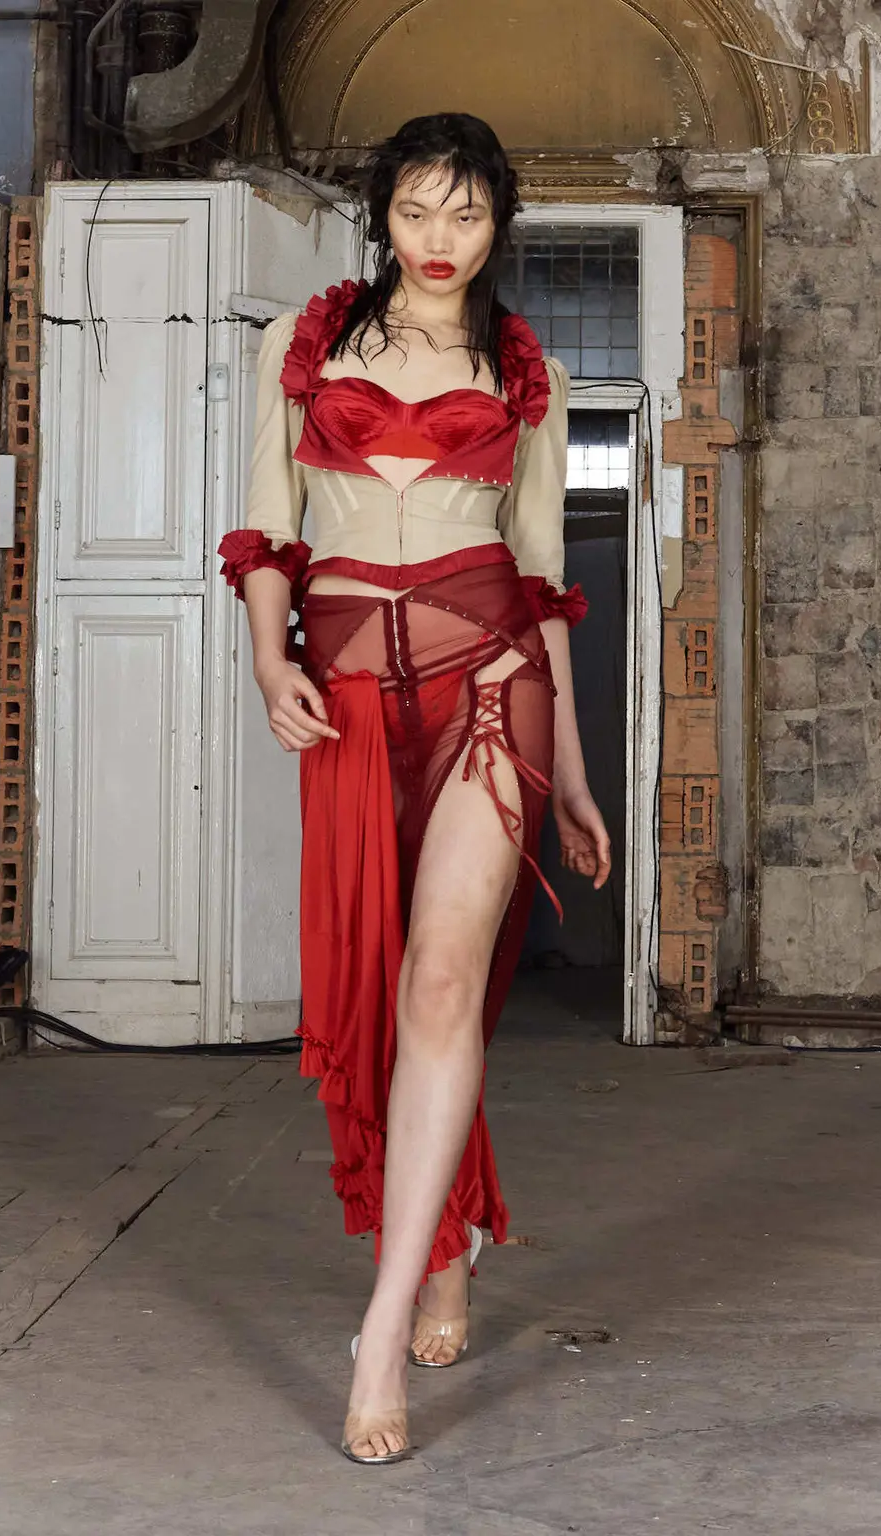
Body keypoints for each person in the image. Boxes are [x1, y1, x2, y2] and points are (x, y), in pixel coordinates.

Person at [218, 112, 611, 1464]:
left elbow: (544, 575)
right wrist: (266, 659)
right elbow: (267, 527)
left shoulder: (526, 366)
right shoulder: (305, 342)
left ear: (501, 223)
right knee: (376, 995)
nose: (441, 240)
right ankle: (447, 1246)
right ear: (381, 215)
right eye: (416, 211)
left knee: (442, 985)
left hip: (491, 682)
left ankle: (382, 1326)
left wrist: (573, 774)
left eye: (468, 214)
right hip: (344, 695)